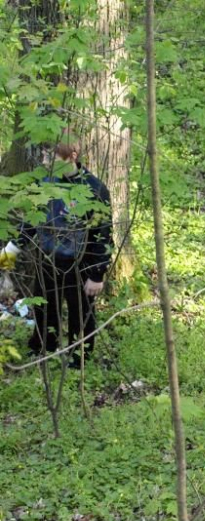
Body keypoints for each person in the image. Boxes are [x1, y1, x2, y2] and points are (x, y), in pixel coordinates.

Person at [1, 134, 112, 368]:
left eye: (52, 156)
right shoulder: (46, 184)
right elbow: (32, 221)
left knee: (80, 313)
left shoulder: (94, 188)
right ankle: (43, 347)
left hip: (80, 263)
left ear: (72, 156)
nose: (45, 160)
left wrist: (97, 274)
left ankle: (79, 358)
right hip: (48, 260)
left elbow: (102, 233)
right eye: (44, 154)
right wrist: (11, 250)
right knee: (44, 306)